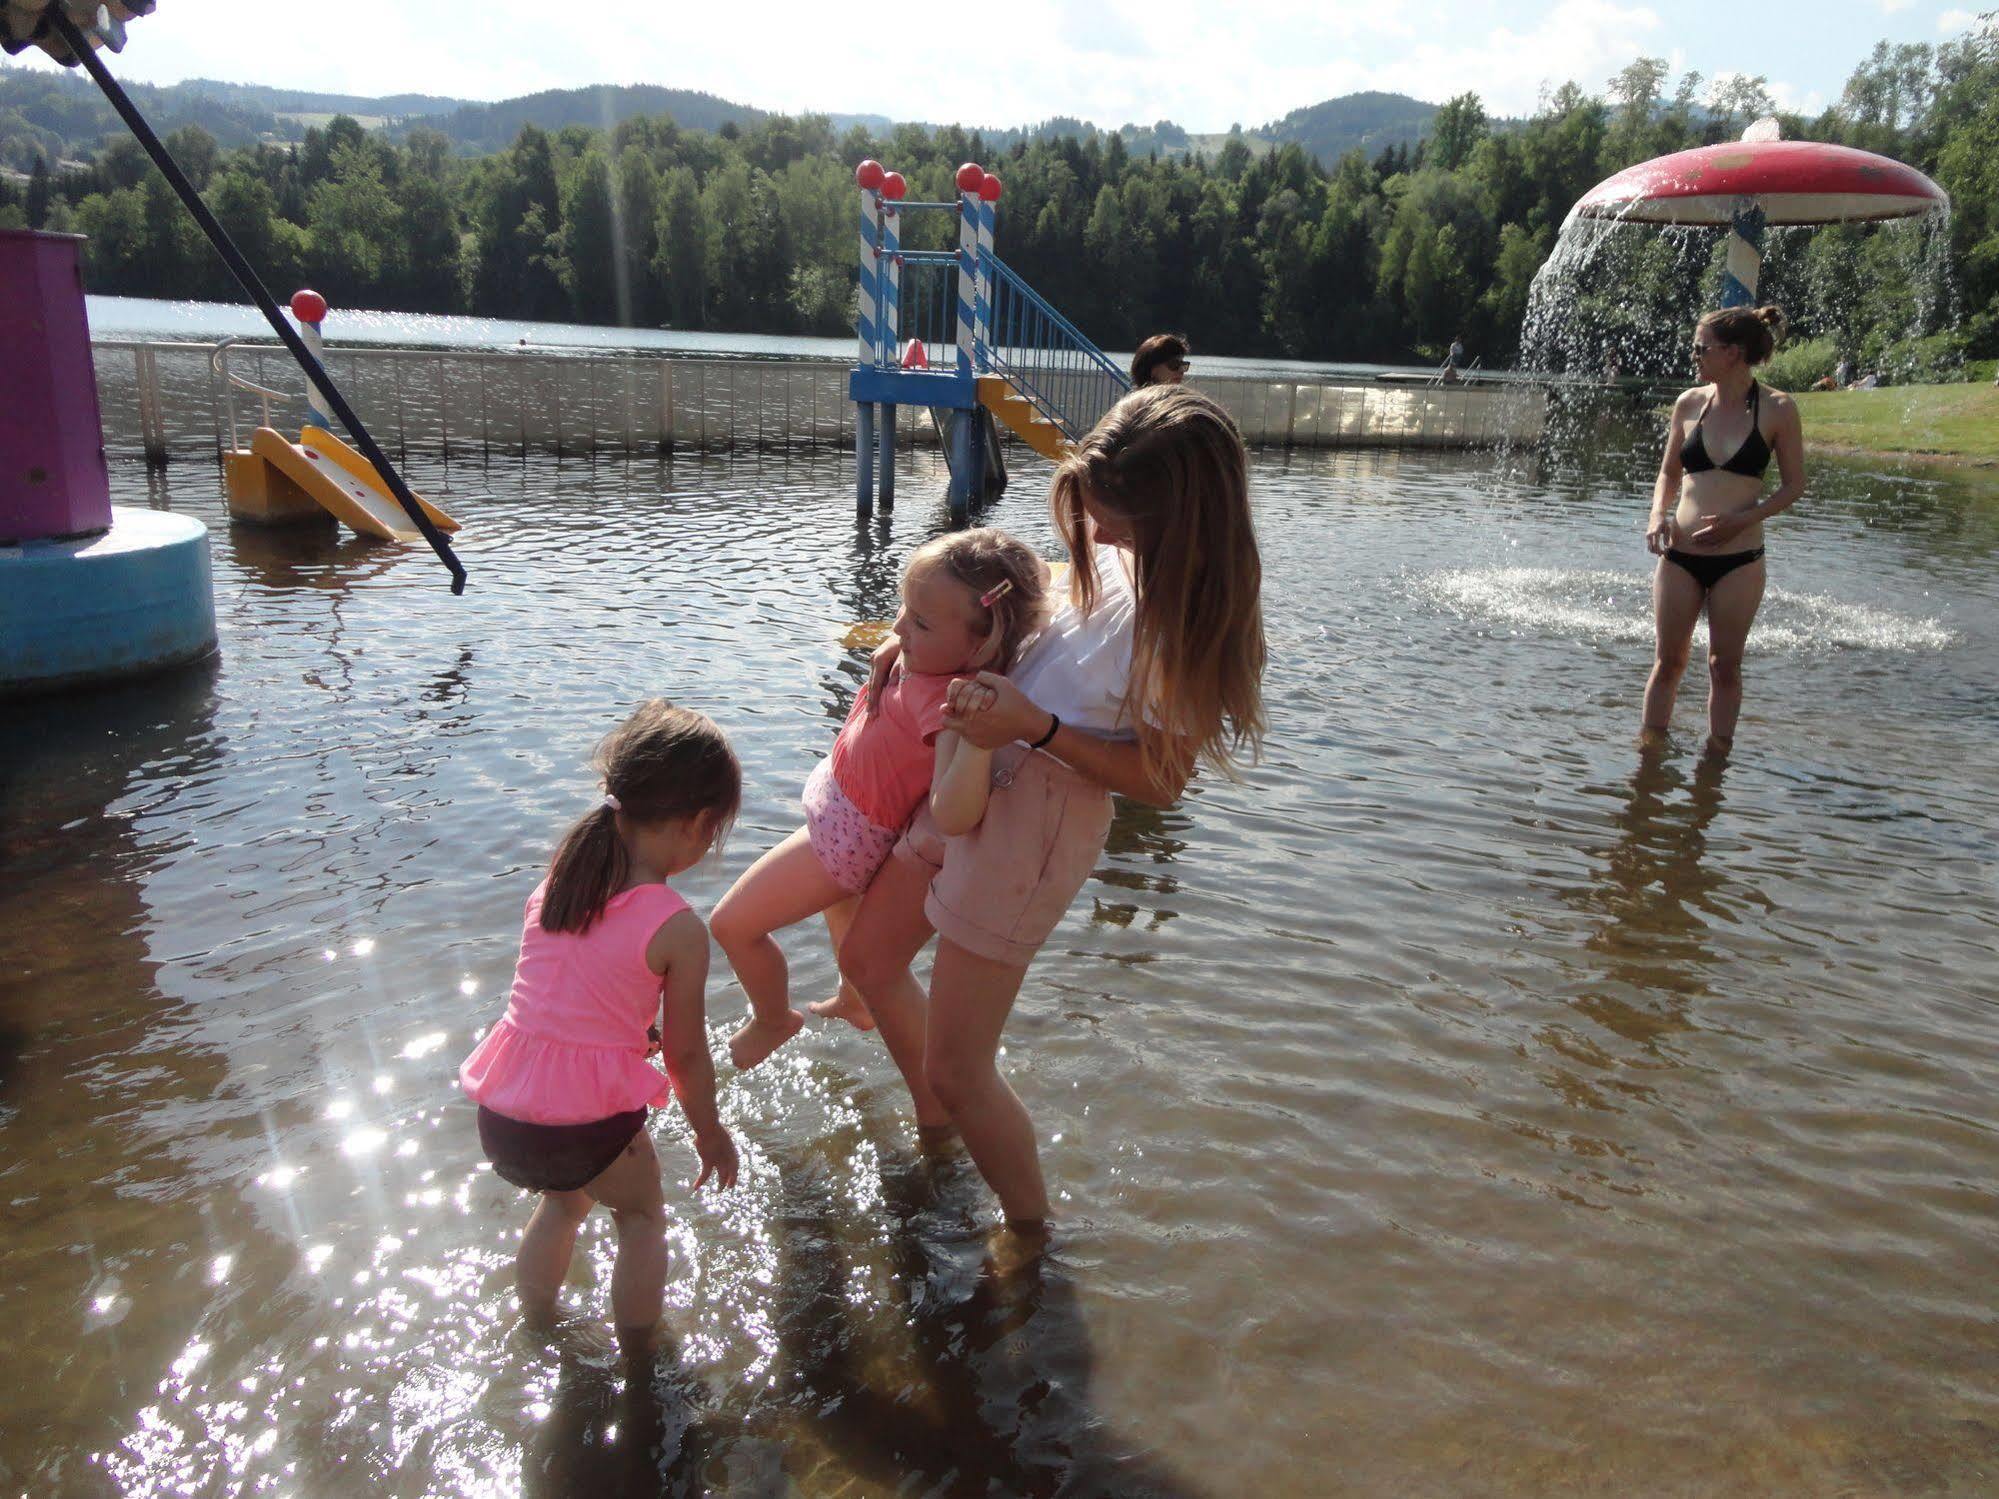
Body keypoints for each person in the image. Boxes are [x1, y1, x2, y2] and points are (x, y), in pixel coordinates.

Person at [833, 384, 1268, 1232]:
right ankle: (943, 1144)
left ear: (1179, 518)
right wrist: (911, 633)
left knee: (960, 1065)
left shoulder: (1180, 622)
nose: (1098, 534)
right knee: (868, 961)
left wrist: (1036, 727)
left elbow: (1160, 780)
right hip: (967, 763)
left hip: (1035, 821)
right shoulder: (1107, 554)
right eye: (1092, 510)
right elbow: (1012, 617)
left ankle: (1030, 1237)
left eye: (1118, 522)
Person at [459, 700, 742, 1359]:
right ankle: (645, 1360)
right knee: (642, 1218)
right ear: (697, 824)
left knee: (563, 1206)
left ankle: (535, 1325)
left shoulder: (559, 882)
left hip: (505, 1112)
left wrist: (628, 1034)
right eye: (714, 833)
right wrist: (710, 1131)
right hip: (585, 1123)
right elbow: (688, 1055)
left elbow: (570, 1001)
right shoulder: (676, 924)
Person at [710, 529, 1051, 1072]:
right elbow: (929, 638)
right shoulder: (927, 662)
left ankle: (772, 1019)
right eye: (904, 609)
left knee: (731, 924)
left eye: (919, 621)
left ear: (981, 643)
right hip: (844, 817)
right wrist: (909, 640)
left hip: (844, 842)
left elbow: (956, 808)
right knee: (840, 908)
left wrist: (976, 740)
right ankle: (856, 999)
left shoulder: (950, 706)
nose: (896, 626)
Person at [1643, 305, 1805, 754]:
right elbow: (1668, 474)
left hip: (1740, 560)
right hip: (1680, 555)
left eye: (1702, 347)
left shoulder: (1777, 408)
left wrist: (1743, 519)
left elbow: (1795, 485)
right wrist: (1659, 514)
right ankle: (1649, 757)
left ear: (1733, 353)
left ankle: (1716, 760)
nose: (1695, 355)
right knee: (1668, 663)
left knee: (1724, 666)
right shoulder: (1689, 402)